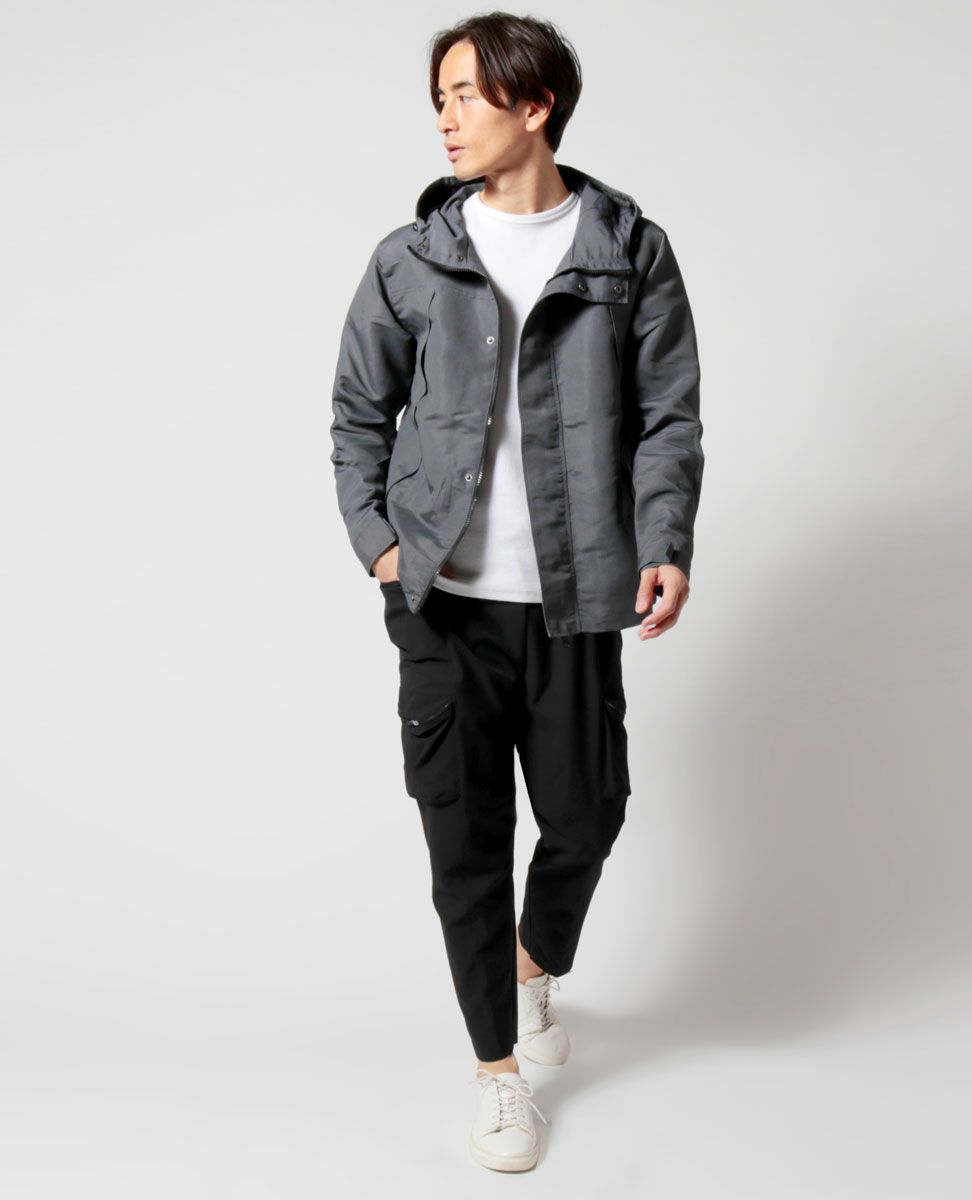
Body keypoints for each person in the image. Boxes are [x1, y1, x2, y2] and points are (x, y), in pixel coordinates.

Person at [329, 12, 704, 1173]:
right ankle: (498, 1074)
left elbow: (667, 416)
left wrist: (664, 539)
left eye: (465, 95)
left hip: (575, 598)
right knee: (465, 843)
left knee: (588, 814)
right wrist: (382, 548)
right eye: (437, 98)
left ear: (533, 106)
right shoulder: (411, 258)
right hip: (442, 605)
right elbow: (356, 415)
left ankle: (534, 967)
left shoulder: (628, 251)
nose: (445, 118)